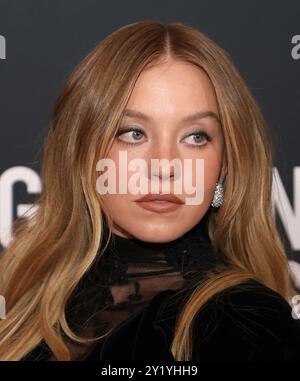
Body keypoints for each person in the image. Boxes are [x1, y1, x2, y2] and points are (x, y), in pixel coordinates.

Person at [0, 20, 299, 361]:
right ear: (83, 151)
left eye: (196, 137)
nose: (163, 166)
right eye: (133, 133)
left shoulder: (247, 320)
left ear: (226, 164)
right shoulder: (23, 305)